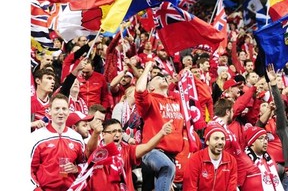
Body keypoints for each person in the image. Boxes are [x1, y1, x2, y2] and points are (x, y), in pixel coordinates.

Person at [74, 118, 174, 191]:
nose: (117, 134)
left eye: (119, 131)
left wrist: (162, 133)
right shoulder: (98, 151)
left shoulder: (127, 150)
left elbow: (147, 146)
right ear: (103, 134)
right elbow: (90, 150)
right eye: (113, 131)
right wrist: (95, 133)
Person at [135, 60, 185, 191]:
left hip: (171, 156)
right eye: (158, 78)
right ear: (151, 87)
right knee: (166, 167)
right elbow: (140, 89)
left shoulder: (176, 100)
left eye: (163, 77)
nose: (162, 78)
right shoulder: (150, 99)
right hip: (152, 151)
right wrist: (147, 68)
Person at [31, 93, 86, 191]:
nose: (61, 112)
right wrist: (37, 189)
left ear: (69, 111)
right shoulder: (36, 137)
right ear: (49, 111)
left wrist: (76, 169)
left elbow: (84, 164)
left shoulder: (77, 138)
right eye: (57, 108)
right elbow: (28, 169)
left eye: (64, 109)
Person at [182, 123, 238, 190]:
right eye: (216, 138)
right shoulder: (195, 159)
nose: (220, 142)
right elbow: (190, 188)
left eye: (223, 139)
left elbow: (231, 188)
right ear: (207, 141)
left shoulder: (231, 161)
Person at [244, 125, 284, 190]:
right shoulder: (244, 160)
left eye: (266, 138)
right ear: (252, 141)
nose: (265, 142)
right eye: (261, 138)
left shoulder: (270, 158)